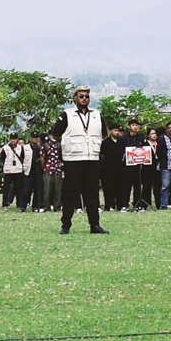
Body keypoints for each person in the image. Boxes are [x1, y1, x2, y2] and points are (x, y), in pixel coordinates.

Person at [48, 86, 108, 234]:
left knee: (92, 194)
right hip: (73, 159)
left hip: (92, 159)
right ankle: (66, 225)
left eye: (87, 96)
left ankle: (95, 225)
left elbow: (104, 134)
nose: (84, 99)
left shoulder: (97, 115)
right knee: (70, 194)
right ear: (75, 98)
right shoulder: (67, 115)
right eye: (81, 96)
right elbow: (56, 135)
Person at [121, 118, 152, 211]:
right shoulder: (124, 138)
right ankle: (124, 205)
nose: (135, 127)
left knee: (137, 186)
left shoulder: (141, 137)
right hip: (127, 166)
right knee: (126, 186)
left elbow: (146, 150)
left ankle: (137, 204)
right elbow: (121, 152)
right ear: (129, 127)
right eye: (133, 125)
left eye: (136, 125)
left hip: (138, 166)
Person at [100, 125, 127, 211]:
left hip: (120, 168)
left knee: (120, 187)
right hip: (108, 168)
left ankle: (120, 205)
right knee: (108, 187)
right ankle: (109, 205)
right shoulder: (105, 142)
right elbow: (102, 155)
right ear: (111, 131)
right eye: (115, 131)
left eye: (118, 131)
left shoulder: (122, 141)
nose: (117, 132)